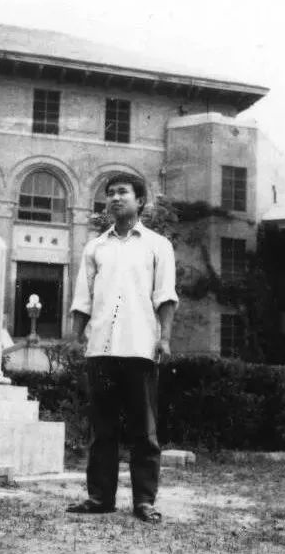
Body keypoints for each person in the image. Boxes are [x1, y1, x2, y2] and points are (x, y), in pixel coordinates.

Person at [66, 173, 178, 524]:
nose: (115, 198)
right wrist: (75, 339)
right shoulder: (95, 247)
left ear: (140, 201)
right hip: (100, 348)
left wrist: (164, 338)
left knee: (144, 431)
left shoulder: (158, 245)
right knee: (102, 429)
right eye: (110, 193)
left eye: (123, 192)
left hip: (140, 346)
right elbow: (82, 299)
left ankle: (144, 501)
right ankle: (100, 497)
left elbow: (166, 296)